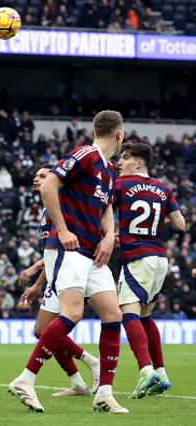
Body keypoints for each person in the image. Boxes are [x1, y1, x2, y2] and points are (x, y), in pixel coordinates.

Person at [9, 110, 127, 414]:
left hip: (93, 251)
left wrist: (110, 235)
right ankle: (26, 379)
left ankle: (104, 393)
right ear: (120, 133)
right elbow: (49, 185)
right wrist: (62, 230)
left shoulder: (109, 169)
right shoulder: (86, 155)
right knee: (72, 313)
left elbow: (107, 207)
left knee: (113, 315)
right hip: (70, 248)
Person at [19, 165, 100, 397]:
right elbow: (51, 254)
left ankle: (91, 363)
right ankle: (78, 383)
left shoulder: (60, 209)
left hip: (68, 273)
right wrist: (37, 282)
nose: (37, 178)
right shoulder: (46, 211)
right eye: (36, 176)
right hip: (55, 274)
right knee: (43, 331)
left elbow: (65, 247)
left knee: (43, 331)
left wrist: (36, 272)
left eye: (43, 175)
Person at [113, 142, 185, 398]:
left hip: (137, 258)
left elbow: (106, 210)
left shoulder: (120, 185)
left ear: (139, 162)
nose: (119, 162)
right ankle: (162, 373)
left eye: (125, 158)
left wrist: (117, 231)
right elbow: (180, 224)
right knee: (146, 316)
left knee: (128, 313)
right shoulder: (164, 189)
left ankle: (146, 372)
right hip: (159, 259)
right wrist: (155, 220)